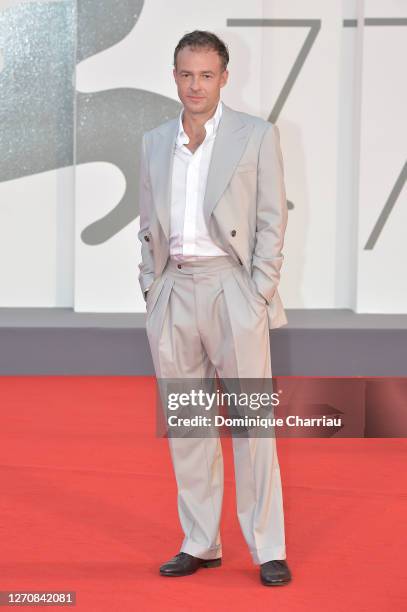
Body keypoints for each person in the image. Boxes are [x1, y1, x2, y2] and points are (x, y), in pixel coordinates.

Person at [137, 30, 291, 586]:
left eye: (206, 74)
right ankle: (200, 542)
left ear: (224, 77)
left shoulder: (255, 135)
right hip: (174, 290)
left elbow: (272, 220)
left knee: (254, 424)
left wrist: (258, 291)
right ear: (173, 76)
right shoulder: (156, 141)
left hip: (233, 289)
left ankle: (268, 545)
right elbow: (146, 226)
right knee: (188, 424)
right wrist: (151, 289)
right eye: (186, 74)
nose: (195, 85)